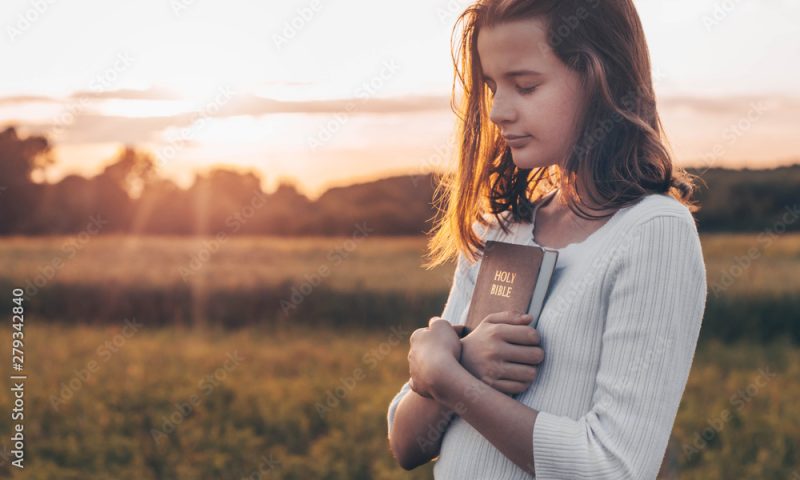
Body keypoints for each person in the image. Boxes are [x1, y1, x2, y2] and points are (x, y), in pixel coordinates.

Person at [386, 1, 708, 479]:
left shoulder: (652, 232)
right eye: (494, 86)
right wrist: (465, 363)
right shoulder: (499, 227)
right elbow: (405, 441)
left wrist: (451, 378)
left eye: (526, 85)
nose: (497, 111)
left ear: (602, 81)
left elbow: (612, 468)